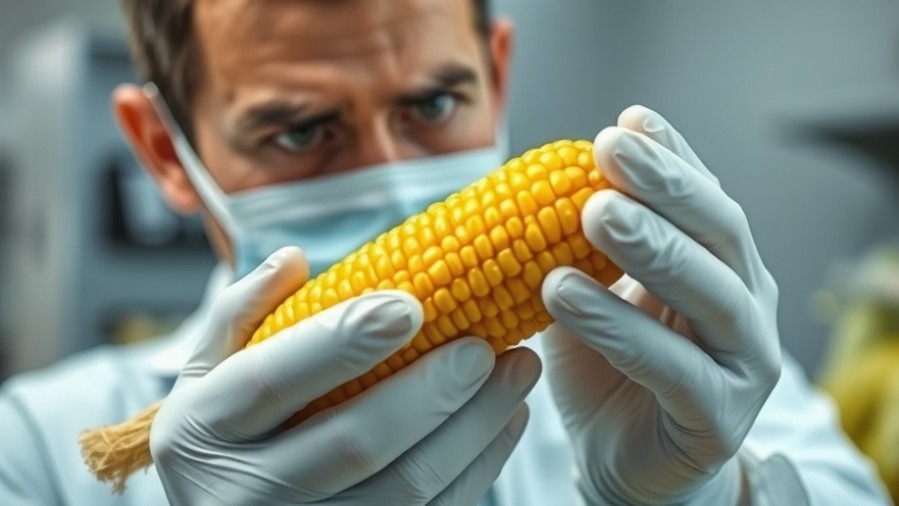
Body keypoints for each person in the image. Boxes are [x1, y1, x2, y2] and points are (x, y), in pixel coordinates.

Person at [0, 0, 890, 504]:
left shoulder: (668, 362)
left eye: (432, 107)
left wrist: (712, 493)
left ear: (496, 78)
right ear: (164, 151)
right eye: (300, 130)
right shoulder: (31, 444)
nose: (392, 180)